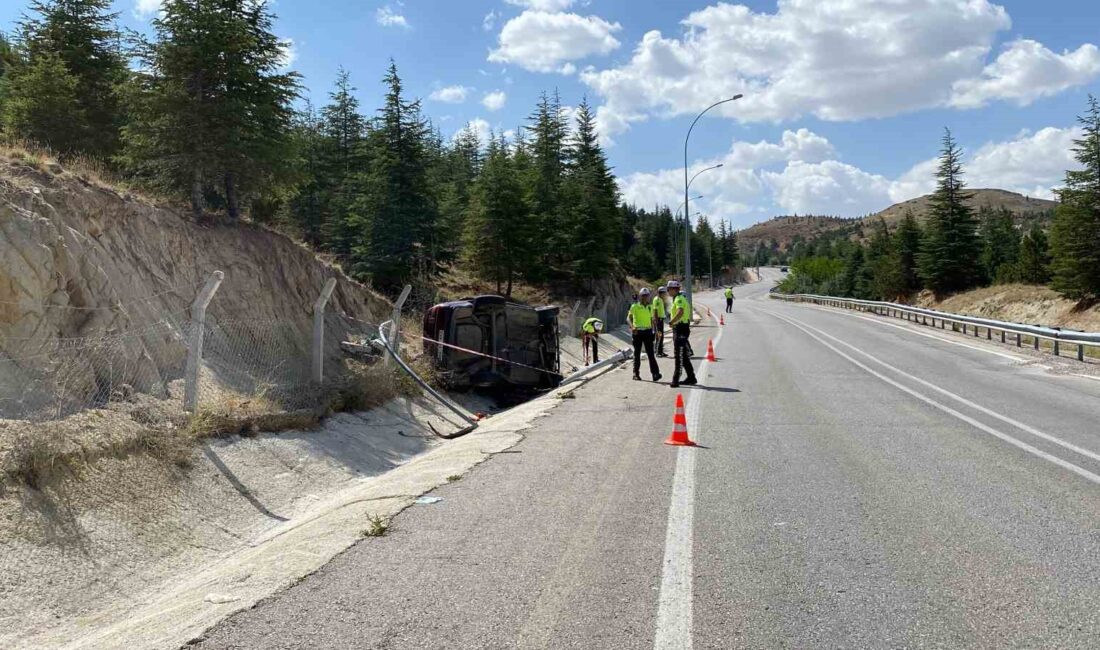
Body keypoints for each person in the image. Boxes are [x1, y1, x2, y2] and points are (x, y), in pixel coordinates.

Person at [667, 280, 697, 388]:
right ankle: (691, 377)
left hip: (680, 328)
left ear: (674, 289)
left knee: (678, 355)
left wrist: (671, 322)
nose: (668, 291)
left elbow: (680, 312)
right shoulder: (678, 298)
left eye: (669, 289)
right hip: (680, 328)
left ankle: (675, 379)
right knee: (683, 356)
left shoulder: (679, 299)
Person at [628, 288, 662, 382]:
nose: (645, 297)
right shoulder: (635, 306)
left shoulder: (650, 307)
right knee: (637, 353)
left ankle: (655, 374)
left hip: (648, 331)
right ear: (640, 296)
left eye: (646, 295)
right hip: (637, 332)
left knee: (651, 354)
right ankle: (636, 374)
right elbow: (628, 318)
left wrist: (657, 331)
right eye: (643, 295)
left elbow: (653, 320)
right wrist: (632, 327)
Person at [653, 285, 668, 357]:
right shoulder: (657, 300)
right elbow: (655, 310)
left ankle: (661, 351)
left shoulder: (661, 300)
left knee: (661, 336)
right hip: (658, 320)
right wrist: (656, 321)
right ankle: (658, 352)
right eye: (664, 293)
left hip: (661, 320)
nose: (665, 294)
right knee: (659, 336)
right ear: (660, 293)